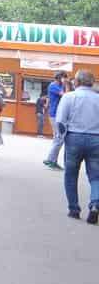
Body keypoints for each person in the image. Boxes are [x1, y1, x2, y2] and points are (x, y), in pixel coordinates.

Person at [55, 70, 99, 222]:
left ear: (77, 82)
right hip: (96, 139)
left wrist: (61, 138)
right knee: (96, 176)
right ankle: (95, 203)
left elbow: (60, 121)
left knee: (71, 175)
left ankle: (74, 209)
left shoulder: (69, 97)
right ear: (92, 83)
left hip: (74, 138)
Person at [45, 72, 71, 170]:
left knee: (57, 137)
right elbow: (66, 97)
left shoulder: (59, 86)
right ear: (60, 78)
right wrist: (67, 85)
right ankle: (50, 160)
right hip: (55, 114)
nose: (66, 79)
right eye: (64, 78)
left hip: (58, 114)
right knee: (59, 137)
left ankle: (53, 160)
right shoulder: (53, 85)